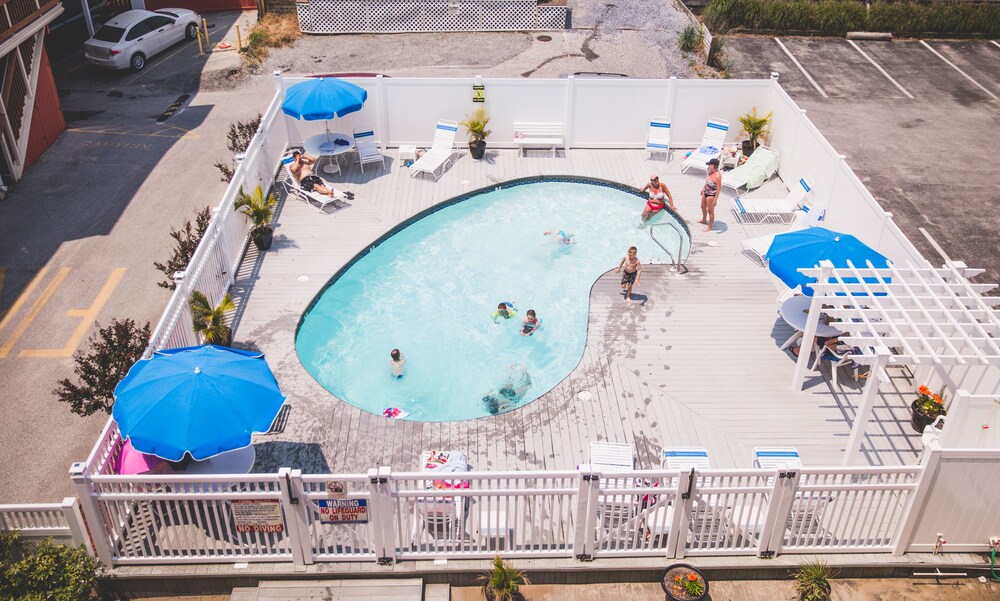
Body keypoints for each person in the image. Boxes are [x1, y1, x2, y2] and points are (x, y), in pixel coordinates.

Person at [699, 158, 722, 232]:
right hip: (705, 191)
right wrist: (703, 188)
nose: (708, 166)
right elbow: (708, 182)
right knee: (702, 207)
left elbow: (718, 189)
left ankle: (709, 226)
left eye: (710, 165)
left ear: (714, 166)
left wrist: (715, 199)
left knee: (710, 211)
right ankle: (704, 220)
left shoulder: (717, 176)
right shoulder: (710, 172)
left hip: (711, 195)